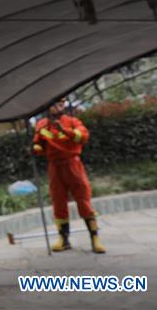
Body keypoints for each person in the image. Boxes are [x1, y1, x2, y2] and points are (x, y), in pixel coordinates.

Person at [32, 99, 105, 254]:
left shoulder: (72, 121)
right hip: (54, 166)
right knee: (58, 201)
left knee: (83, 199)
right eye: (53, 105)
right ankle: (63, 239)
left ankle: (95, 238)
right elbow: (39, 143)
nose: (57, 107)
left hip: (73, 164)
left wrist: (64, 130)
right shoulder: (41, 125)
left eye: (60, 104)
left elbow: (83, 137)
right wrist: (35, 149)